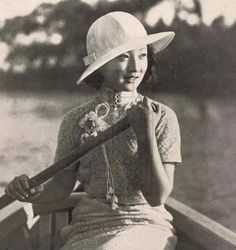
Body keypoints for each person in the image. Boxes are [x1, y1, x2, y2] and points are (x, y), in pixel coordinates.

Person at [5, 11, 181, 250]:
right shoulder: (75, 120)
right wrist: (28, 191)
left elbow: (156, 197)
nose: (136, 66)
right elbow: (60, 187)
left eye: (141, 55)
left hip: (146, 226)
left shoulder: (162, 116)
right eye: (122, 57)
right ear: (100, 64)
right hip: (87, 228)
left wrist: (145, 132)